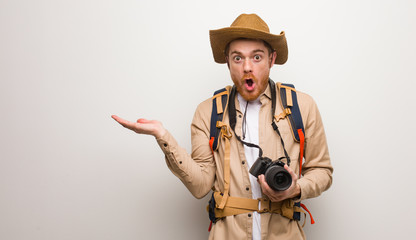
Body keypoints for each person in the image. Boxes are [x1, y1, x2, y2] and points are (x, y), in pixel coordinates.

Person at [112, 13, 333, 240]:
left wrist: (296, 189)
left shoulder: (301, 106)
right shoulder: (208, 111)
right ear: (228, 61)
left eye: (257, 57)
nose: (247, 67)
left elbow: (322, 171)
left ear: (272, 59)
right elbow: (200, 186)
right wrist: (162, 136)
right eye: (238, 58)